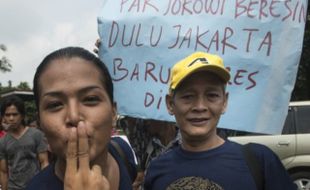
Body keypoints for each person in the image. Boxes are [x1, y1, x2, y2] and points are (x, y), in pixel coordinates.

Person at [144, 52, 297, 189]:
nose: (200, 106)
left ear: (224, 102)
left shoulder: (259, 162)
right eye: (188, 96)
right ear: (170, 104)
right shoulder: (157, 169)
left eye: (212, 95)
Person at [25, 47, 137, 190]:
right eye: (55, 104)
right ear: (40, 123)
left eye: (90, 99)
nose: (74, 117)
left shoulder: (122, 151)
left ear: (113, 113)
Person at [0, 95, 49, 190]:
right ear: (3, 117)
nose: (11, 118)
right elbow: (3, 171)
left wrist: (45, 185)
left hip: (35, 185)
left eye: (15, 114)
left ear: (22, 115)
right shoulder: (2, 141)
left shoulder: (36, 135)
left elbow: (44, 163)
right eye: (7, 115)